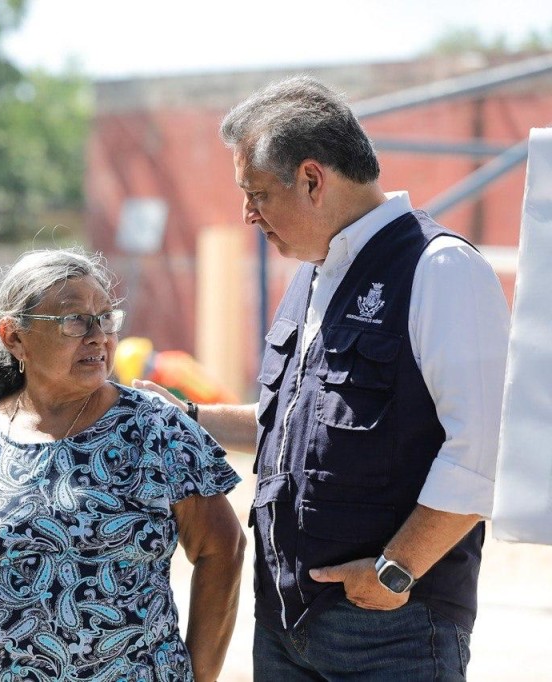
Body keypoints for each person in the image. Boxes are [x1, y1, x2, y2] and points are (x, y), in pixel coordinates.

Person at [137, 76, 510, 680]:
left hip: (391, 628)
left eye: (257, 192)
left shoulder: (440, 269)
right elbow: (293, 432)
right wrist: (183, 417)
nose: (247, 214)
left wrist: (395, 571)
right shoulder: (315, 274)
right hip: (286, 624)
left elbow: (482, 451)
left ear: (312, 179)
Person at [0, 248, 246, 681]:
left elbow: (223, 549)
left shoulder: (156, 429)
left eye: (105, 318)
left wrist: (200, 675)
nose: (98, 335)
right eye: (75, 320)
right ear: (13, 337)